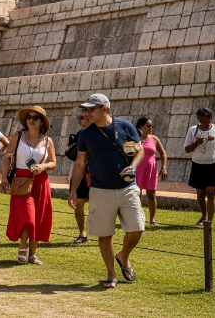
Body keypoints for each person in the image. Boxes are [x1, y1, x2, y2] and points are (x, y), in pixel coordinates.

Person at [68, 93, 145, 288]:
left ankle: (123, 256)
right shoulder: (85, 134)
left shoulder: (125, 126)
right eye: (85, 110)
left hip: (127, 187)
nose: (87, 113)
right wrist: (73, 190)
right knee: (105, 234)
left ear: (104, 109)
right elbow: (80, 162)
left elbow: (140, 150)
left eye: (90, 109)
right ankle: (111, 274)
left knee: (137, 228)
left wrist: (133, 166)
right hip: (99, 189)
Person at [0, 106, 56, 265]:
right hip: (20, 180)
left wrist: (43, 166)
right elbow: (7, 158)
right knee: (28, 216)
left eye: (35, 118)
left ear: (42, 122)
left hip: (40, 180)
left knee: (38, 218)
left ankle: (32, 255)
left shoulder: (48, 141)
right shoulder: (18, 136)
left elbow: (53, 162)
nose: (31, 120)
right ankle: (22, 248)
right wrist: (4, 178)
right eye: (29, 117)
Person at [184, 107, 215, 225]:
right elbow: (187, 149)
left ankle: (209, 221)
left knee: (211, 194)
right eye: (200, 120)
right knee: (201, 194)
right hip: (198, 165)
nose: (202, 122)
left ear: (210, 118)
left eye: (204, 120)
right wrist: (197, 142)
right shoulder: (193, 130)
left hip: (214, 164)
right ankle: (204, 216)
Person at [135, 117, 167, 226]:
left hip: (151, 169)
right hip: (137, 168)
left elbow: (163, 153)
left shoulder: (154, 139)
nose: (151, 128)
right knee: (136, 193)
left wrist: (163, 167)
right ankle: (136, 218)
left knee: (151, 195)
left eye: (152, 126)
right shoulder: (134, 138)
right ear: (141, 126)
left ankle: (152, 219)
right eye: (149, 126)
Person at [66, 110, 92, 243]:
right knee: (79, 202)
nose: (78, 119)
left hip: (95, 173)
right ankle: (83, 233)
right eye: (78, 117)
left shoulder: (98, 132)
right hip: (80, 172)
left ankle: (102, 233)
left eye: (81, 117)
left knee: (98, 204)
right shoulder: (80, 134)